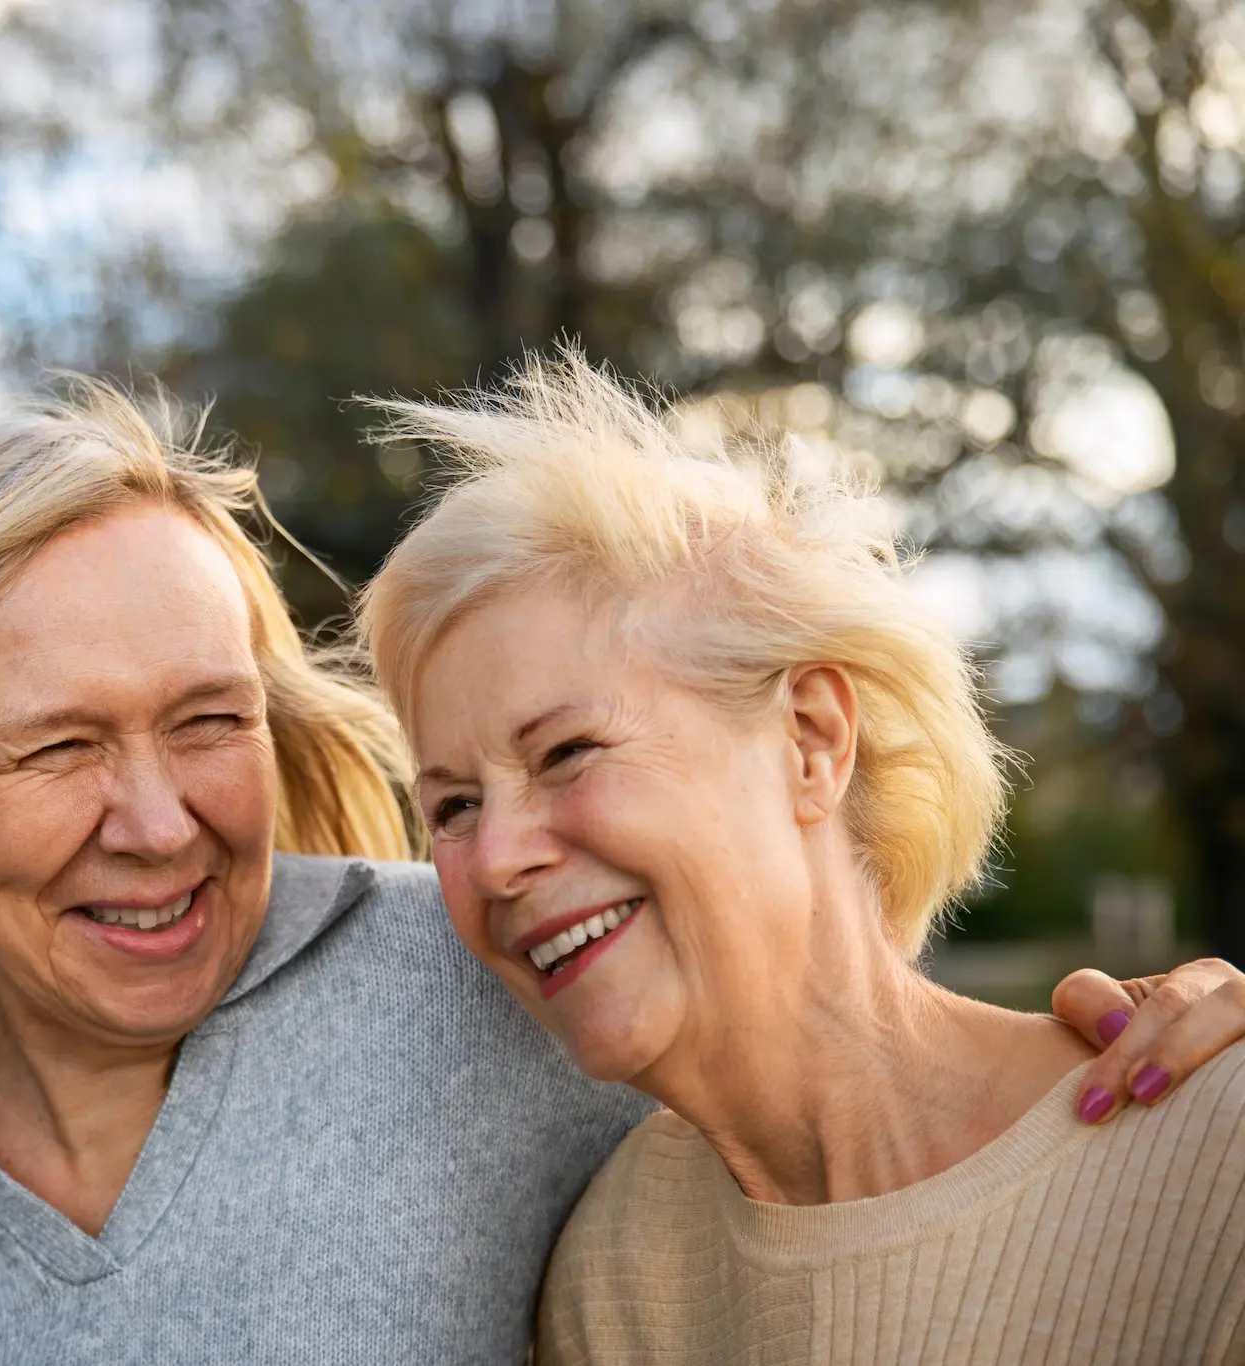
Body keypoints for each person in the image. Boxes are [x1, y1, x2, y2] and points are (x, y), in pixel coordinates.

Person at [0, 380, 1243, 1366]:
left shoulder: (476, 979)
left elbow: (802, 1021)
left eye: (204, 720)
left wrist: (1169, 1059)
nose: (151, 821)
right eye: (56, 746)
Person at [360, 352, 1245, 1365]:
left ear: (810, 740)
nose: (497, 858)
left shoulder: (1211, 1154)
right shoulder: (611, 1277)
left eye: (566, 751)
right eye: (453, 806)